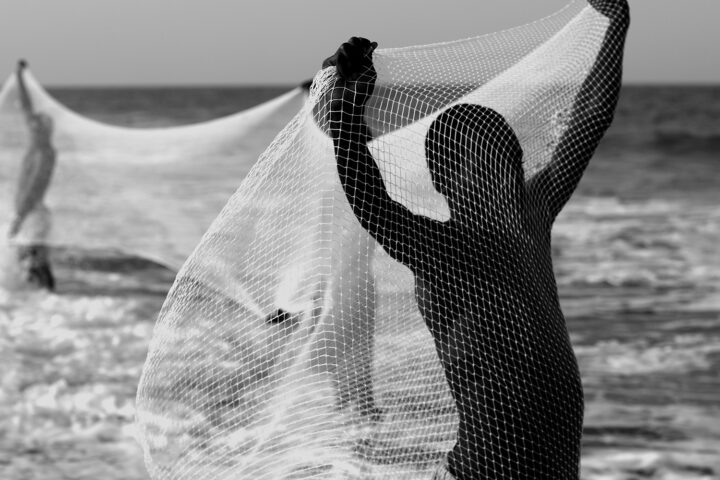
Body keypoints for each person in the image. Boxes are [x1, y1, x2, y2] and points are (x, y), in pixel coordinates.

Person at [322, 0, 629, 478]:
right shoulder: (442, 249)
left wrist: (616, 22)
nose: (505, 171)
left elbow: (589, 119)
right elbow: (372, 203)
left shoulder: (534, 215)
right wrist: (346, 115)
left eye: (509, 157)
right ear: (445, 180)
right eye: (483, 161)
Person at [8, 59, 57, 291]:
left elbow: (35, 187)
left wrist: (18, 217)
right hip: (27, 213)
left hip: (33, 215)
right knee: (27, 264)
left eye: (38, 126)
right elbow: (27, 108)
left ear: (46, 131)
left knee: (35, 265)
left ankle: (50, 304)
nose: (33, 126)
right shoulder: (35, 145)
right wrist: (19, 76)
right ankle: (36, 308)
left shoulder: (45, 153)